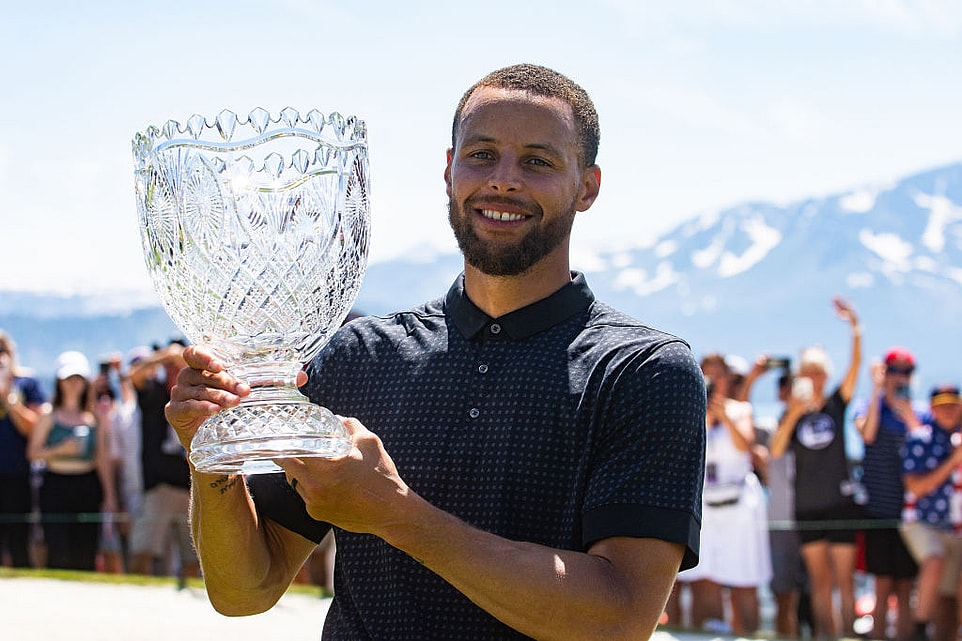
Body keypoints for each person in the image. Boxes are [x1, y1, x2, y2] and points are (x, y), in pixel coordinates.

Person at [166, 63, 706, 640]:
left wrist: (396, 514)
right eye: (481, 155)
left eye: (538, 162)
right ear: (449, 171)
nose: (503, 180)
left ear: (588, 187)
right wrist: (211, 457)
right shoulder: (358, 355)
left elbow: (620, 619)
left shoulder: (641, 373)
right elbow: (243, 591)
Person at [770, 297, 863, 639]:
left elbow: (855, 365)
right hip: (807, 506)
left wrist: (855, 326)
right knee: (819, 582)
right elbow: (776, 451)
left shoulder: (838, 404)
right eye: (808, 372)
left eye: (818, 372)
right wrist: (795, 411)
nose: (814, 378)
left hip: (840, 503)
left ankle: (850, 634)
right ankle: (828, 635)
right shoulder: (793, 415)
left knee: (845, 579)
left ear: (826, 374)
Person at [676, 353, 770, 635]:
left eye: (717, 375)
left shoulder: (740, 409)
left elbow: (745, 445)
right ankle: (707, 632)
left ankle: (749, 634)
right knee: (704, 577)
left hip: (739, 506)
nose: (712, 380)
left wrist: (725, 415)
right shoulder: (693, 411)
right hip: (705, 504)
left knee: (744, 577)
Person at [854, 347, 922, 641]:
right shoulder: (869, 406)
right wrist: (876, 390)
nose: (899, 377)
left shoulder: (918, 413)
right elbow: (867, 434)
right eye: (893, 370)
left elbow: (925, 442)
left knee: (907, 589)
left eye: (905, 372)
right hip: (878, 512)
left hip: (911, 513)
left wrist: (908, 415)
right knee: (881, 586)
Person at [27, 351, 117, 570]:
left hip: (87, 485)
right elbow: (33, 452)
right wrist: (60, 450)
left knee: (85, 550)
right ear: (59, 382)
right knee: (58, 550)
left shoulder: (93, 417)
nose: (73, 384)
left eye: (78, 379)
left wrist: (109, 496)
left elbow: (101, 459)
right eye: (69, 379)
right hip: (56, 484)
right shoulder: (49, 415)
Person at [128, 340, 199, 578]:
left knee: (195, 560)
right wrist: (164, 356)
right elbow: (134, 375)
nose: (174, 370)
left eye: (179, 365)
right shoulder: (154, 393)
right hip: (160, 487)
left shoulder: (197, 394)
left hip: (191, 487)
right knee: (142, 552)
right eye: (169, 366)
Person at [899, 385, 962, 641]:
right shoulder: (920, 439)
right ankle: (920, 631)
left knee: (948, 598)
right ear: (932, 409)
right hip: (921, 522)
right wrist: (953, 461)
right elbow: (916, 487)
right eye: (942, 405)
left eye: (953, 404)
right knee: (934, 561)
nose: (948, 410)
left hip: (955, 528)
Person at [0, 330, 46, 568]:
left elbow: (34, 429)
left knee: (19, 544)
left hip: (18, 476)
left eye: (2, 352)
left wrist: (9, 399)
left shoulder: (27, 383)